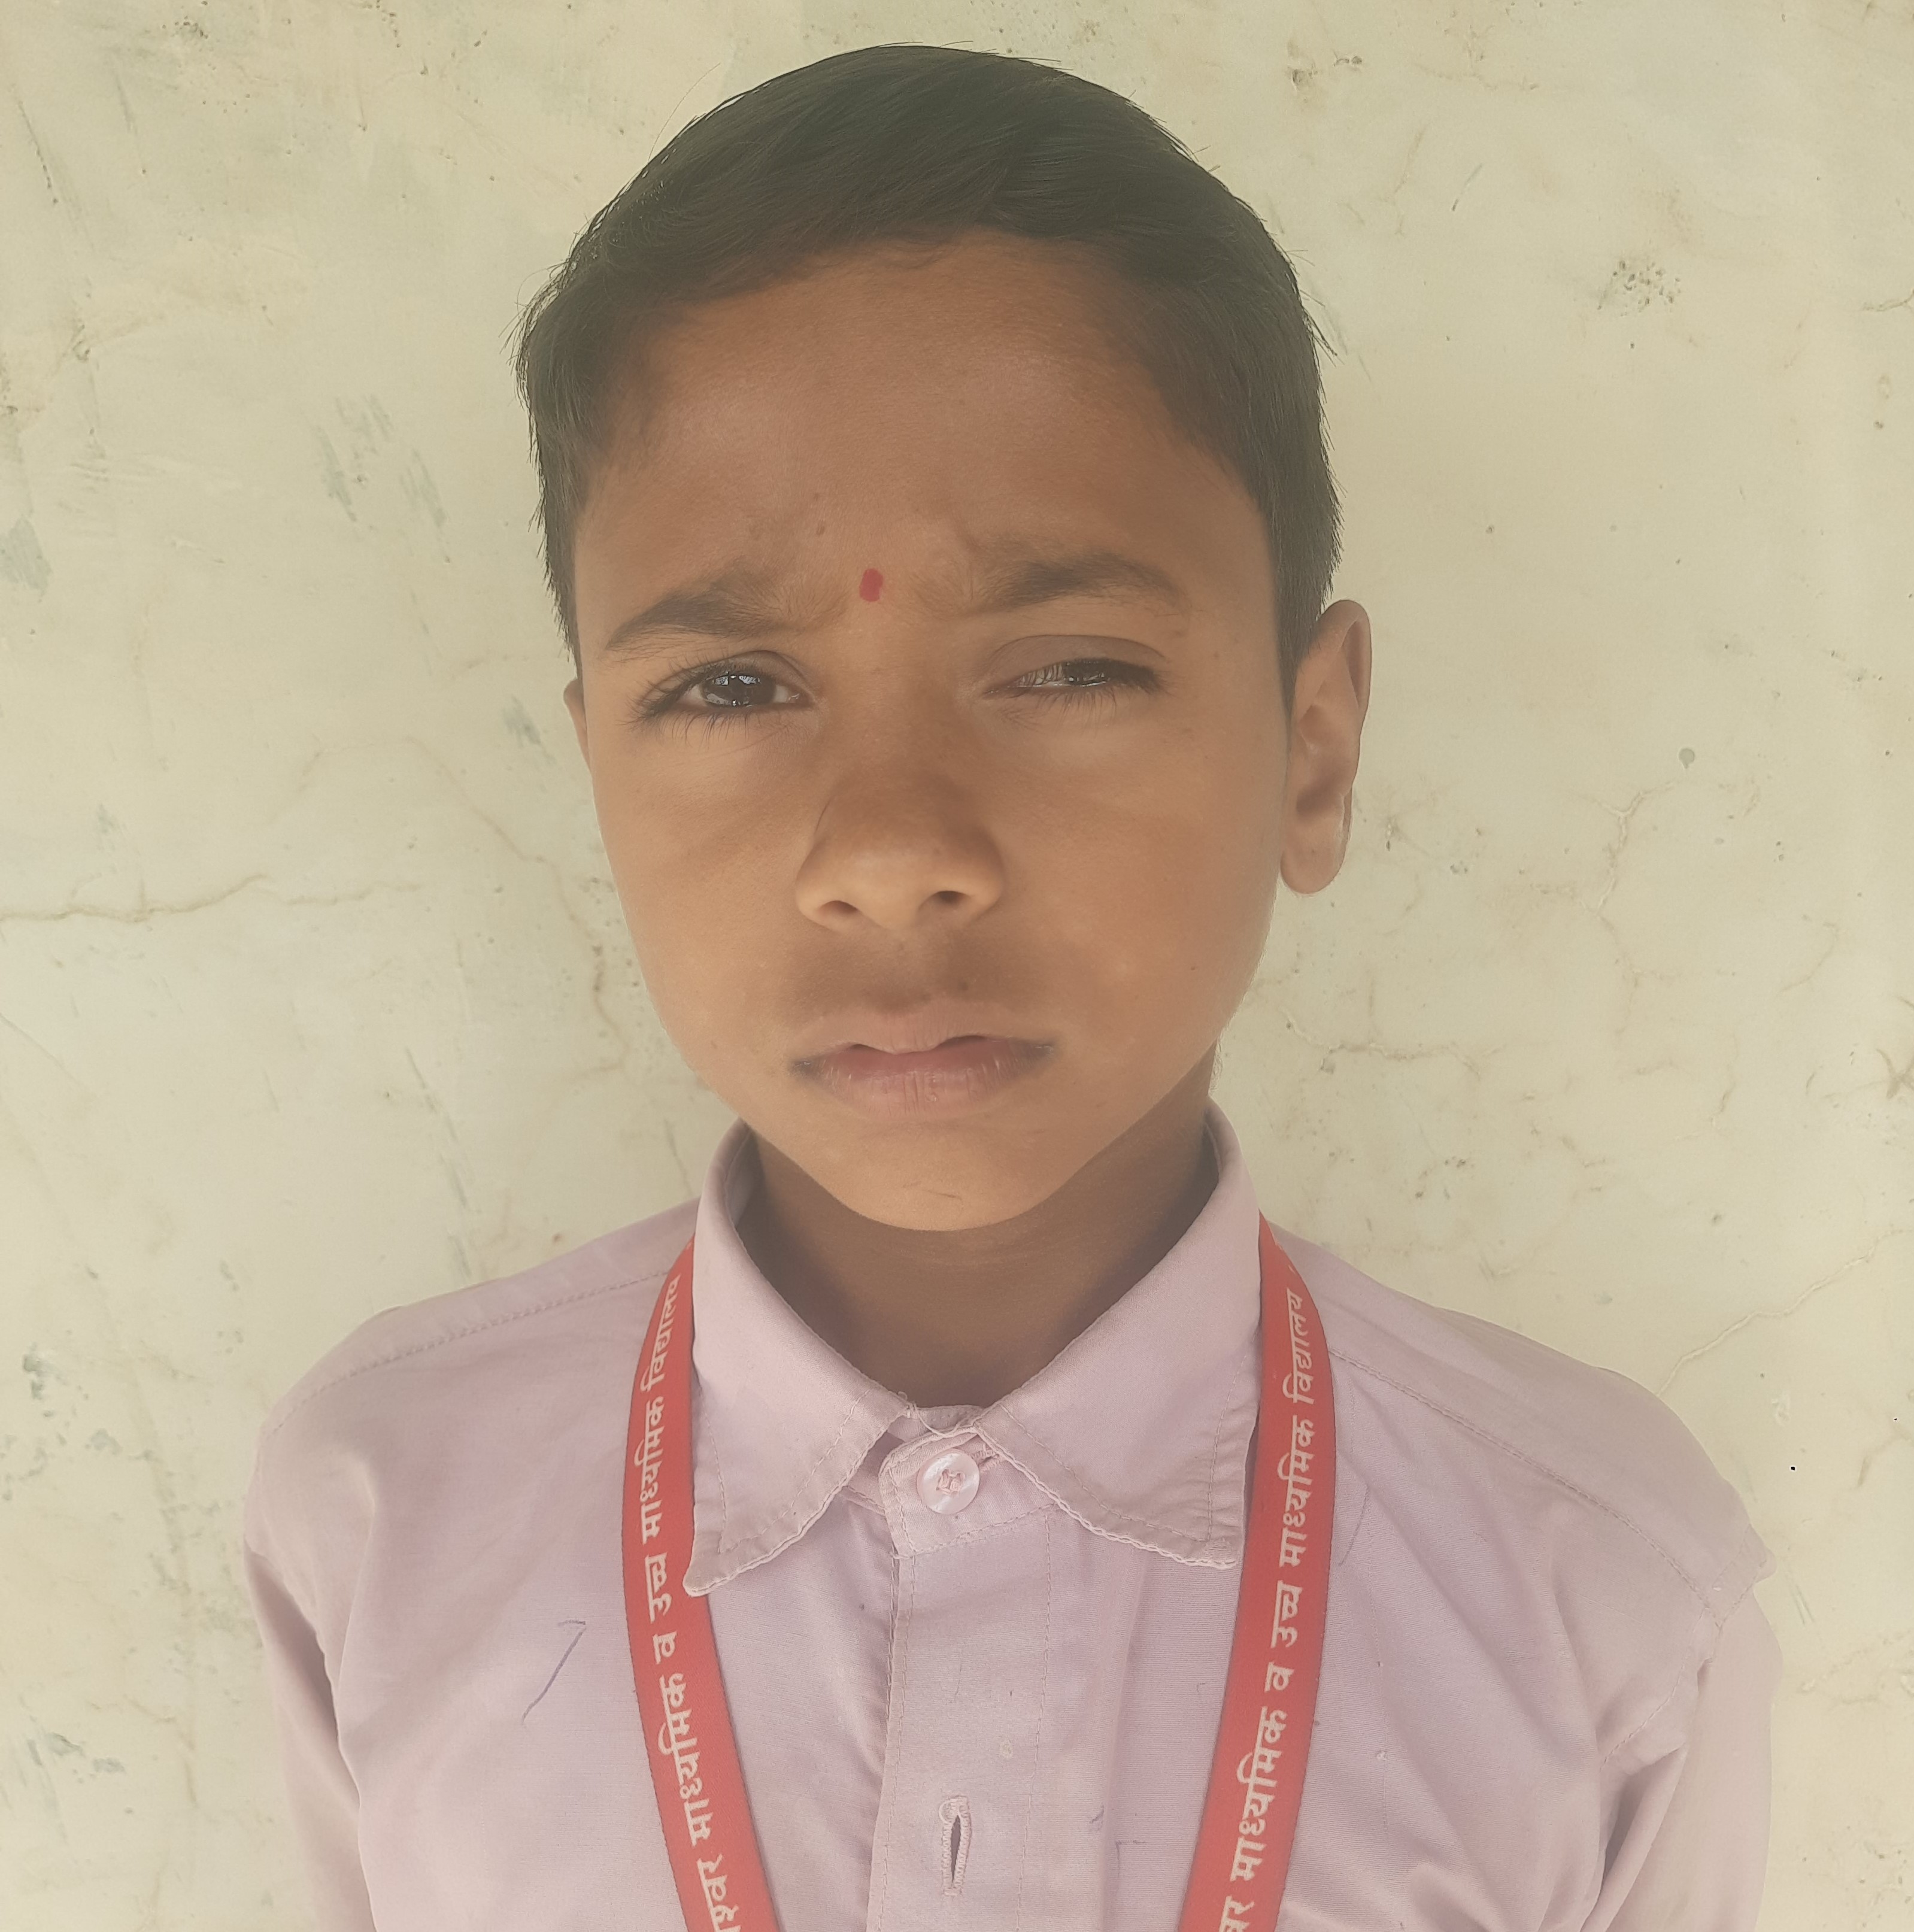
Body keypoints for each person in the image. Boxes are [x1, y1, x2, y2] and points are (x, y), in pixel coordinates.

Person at [242, 43, 1779, 1932]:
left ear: (1309, 752)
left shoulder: (1596, 1588)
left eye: (1068, 668)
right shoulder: (386, 1505)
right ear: (594, 777)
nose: (892, 848)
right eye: (728, 687)